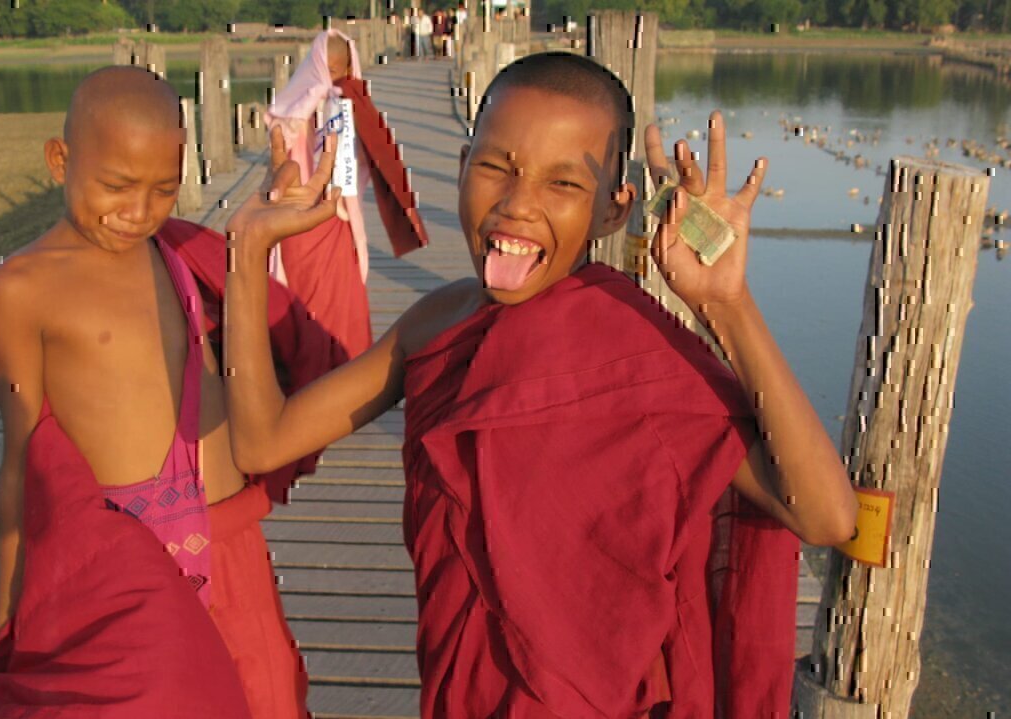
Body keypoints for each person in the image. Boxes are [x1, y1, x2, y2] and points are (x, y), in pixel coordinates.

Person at [222, 52, 859, 717]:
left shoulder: (636, 349)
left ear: (615, 212)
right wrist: (247, 249)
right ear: (463, 165)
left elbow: (824, 513)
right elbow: (264, 443)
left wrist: (727, 304)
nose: (517, 206)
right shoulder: (433, 326)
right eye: (497, 166)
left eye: (563, 183)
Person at [0, 66, 328, 719]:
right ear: (60, 160)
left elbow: (267, 344)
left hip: (231, 541)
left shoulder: (185, 254)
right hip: (126, 568)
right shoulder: (22, 288)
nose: (138, 213)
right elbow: (22, 465)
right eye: (117, 186)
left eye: (164, 189)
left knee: (265, 698)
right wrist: (7, 627)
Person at [266, 30, 428, 367]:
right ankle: (336, 371)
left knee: (303, 299)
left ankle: (303, 371)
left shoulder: (293, 106)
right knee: (335, 304)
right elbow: (365, 164)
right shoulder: (337, 104)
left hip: (296, 220)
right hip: (328, 217)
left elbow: (280, 143)